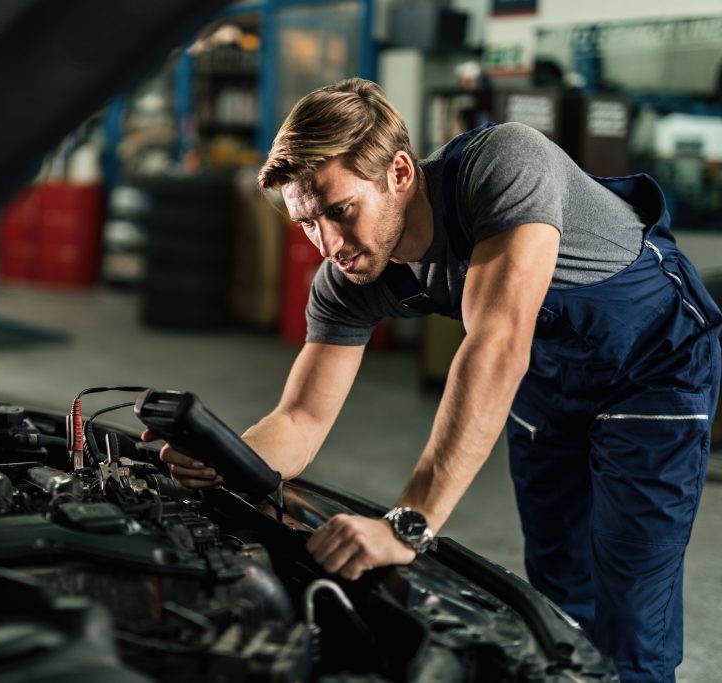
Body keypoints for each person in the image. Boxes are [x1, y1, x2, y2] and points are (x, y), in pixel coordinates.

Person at [149, 78, 721, 683]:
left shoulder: (504, 165)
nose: (329, 246)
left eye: (341, 211)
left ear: (398, 172)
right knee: (558, 590)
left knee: (631, 609)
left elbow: (497, 345)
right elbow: (300, 420)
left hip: (654, 367)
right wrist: (223, 456)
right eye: (308, 223)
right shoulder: (348, 277)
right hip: (550, 380)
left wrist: (408, 523)